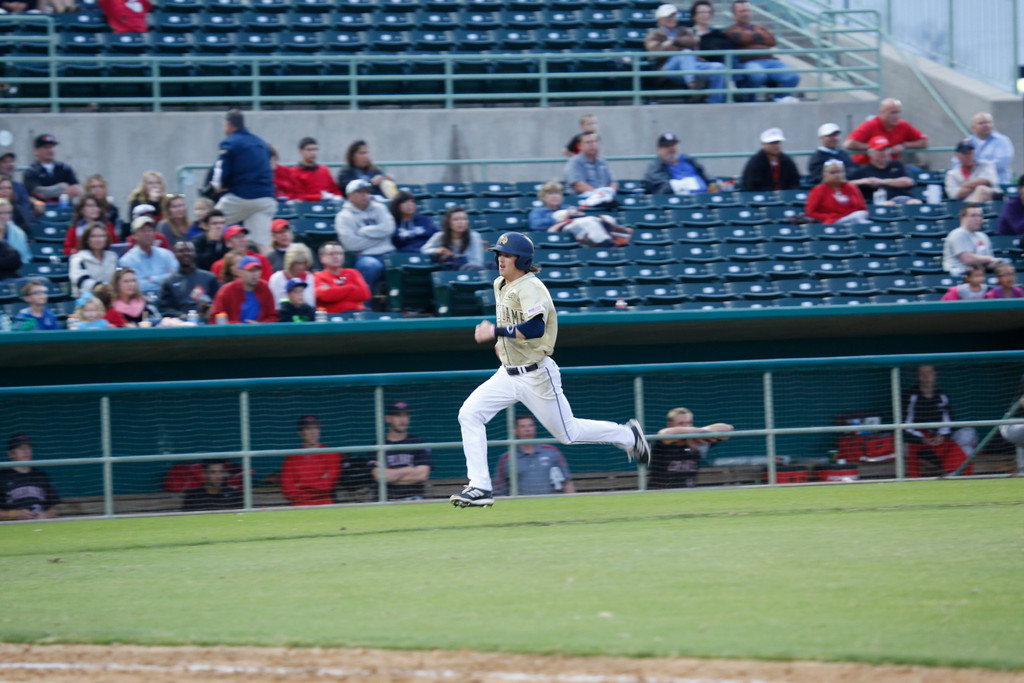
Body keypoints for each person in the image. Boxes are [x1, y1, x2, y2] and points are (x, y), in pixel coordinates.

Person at [450, 232, 651, 508]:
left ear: (522, 260)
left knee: (567, 434)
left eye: (507, 255)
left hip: (536, 375)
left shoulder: (531, 287)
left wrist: (495, 332)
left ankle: (628, 436)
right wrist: (501, 343)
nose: (500, 259)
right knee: (469, 414)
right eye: (499, 254)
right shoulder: (500, 284)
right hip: (507, 374)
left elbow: (535, 328)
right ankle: (480, 487)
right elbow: (514, 323)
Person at [210, 109, 277, 255]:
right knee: (263, 244)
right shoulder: (261, 143)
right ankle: (274, 274)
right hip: (266, 199)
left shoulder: (230, 142)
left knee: (212, 224)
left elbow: (221, 170)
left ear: (228, 125)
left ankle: (208, 265)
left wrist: (217, 186)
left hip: (241, 197)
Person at [645, 3, 726, 103]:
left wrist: (672, 42)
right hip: (669, 68)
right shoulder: (653, 35)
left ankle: (715, 102)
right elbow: (656, 50)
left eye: (673, 16)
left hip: (692, 65)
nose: (671, 18)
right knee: (685, 52)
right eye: (667, 16)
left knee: (719, 67)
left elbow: (694, 40)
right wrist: (680, 47)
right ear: (660, 20)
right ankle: (693, 84)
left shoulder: (684, 30)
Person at [903, 365, 975, 477]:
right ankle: (946, 471)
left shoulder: (942, 396)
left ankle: (953, 474)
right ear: (917, 376)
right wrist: (923, 439)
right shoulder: (911, 396)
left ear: (935, 375)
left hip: (938, 441)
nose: (926, 377)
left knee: (967, 434)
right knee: (904, 447)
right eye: (922, 374)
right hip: (916, 441)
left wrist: (941, 436)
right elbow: (905, 426)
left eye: (929, 373)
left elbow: (948, 422)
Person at [724, 0, 800, 102]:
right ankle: (749, 100)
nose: (745, 13)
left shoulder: (759, 26)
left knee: (793, 77)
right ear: (734, 15)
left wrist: (753, 36)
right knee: (757, 76)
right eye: (741, 11)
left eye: (747, 10)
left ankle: (779, 98)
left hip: (770, 61)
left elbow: (772, 40)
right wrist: (760, 35)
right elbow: (742, 38)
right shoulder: (731, 30)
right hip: (749, 62)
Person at [335, 178, 396, 295]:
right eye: (359, 192)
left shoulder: (379, 208)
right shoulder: (343, 216)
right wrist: (380, 237)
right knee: (370, 267)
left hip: (388, 252)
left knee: (401, 266)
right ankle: (365, 307)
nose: (364, 195)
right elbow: (351, 244)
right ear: (350, 196)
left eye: (366, 191)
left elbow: (389, 228)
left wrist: (364, 231)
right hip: (364, 255)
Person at [649, 407, 733, 489]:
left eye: (688, 423)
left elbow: (727, 429)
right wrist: (693, 431)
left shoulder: (698, 440)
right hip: (661, 494)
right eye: (681, 423)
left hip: (688, 495)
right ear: (670, 425)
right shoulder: (663, 443)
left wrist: (700, 432)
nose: (686, 426)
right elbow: (665, 433)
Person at [494, 414, 575, 497]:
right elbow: (500, 491)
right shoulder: (506, 458)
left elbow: (567, 482)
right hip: (521, 506)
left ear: (535, 428)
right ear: (515, 431)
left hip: (550, 504)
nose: (528, 429)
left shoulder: (551, 451)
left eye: (531, 425)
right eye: (523, 427)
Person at [370, 400, 433, 501]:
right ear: (388, 418)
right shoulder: (377, 445)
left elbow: (422, 475)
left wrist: (391, 477)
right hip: (386, 499)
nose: (403, 420)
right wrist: (408, 470)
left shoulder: (418, 443)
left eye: (405, 415)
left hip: (414, 499)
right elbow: (380, 476)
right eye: (398, 416)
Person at [844, 98, 928, 166]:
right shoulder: (870, 125)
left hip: (889, 167)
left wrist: (904, 145)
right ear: (882, 113)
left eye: (898, 112)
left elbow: (924, 142)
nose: (897, 116)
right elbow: (848, 144)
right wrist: (876, 148)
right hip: (865, 166)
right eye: (893, 112)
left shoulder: (903, 125)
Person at [280, 415, 342, 507]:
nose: (313, 432)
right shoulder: (291, 458)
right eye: (308, 429)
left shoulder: (331, 454)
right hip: (299, 507)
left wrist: (301, 484)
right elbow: (288, 491)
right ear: (301, 433)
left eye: (316, 428)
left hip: (325, 504)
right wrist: (318, 483)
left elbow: (327, 486)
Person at [847, 136, 921, 206]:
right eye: (879, 150)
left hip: (905, 199)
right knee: (888, 204)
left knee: (915, 203)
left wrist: (882, 181)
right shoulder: (863, 170)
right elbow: (845, 184)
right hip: (882, 204)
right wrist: (865, 181)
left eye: (886, 149)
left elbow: (908, 182)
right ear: (870, 153)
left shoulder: (897, 165)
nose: (883, 153)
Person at [1, 434, 60, 521]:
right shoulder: (2, 477)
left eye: (28, 448)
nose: (26, 451)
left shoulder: (41, 475)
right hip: (12, 525)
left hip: (40, 524)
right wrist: (14, 514)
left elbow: (55, 508)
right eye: (21, 448)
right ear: (11, 454)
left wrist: (46, 515)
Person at [118, 215, 179, 297]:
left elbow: (177, 278)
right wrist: (165, 276)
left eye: (150, 230)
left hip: (169, 297)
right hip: (142, 299)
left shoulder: (167, 254)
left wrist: (152, 279)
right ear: (135, 235)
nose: (147, 234)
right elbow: (136, 286)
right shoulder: (127, 260)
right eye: (143, 231)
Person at [158, 240, 219, 320]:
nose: (186, 253)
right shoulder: (168, 282)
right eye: (181, 251)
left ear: (195, 253)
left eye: (189, 250)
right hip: (180, 324)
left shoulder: (210, 278)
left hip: (206, 320)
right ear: (175, 255)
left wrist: (209, 308)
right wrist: (181, 316)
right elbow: (165, 308)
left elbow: (218, 302)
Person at [209, 255, 277, 323]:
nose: (255, 274)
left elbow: (273, 316)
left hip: (259, 332)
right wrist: (240, 327)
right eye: (250, 270)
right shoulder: (226, 291)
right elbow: (215, 318)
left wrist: (259, 325)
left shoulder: (265, 288)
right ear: (240, 272)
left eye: (257, 270)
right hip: (233, 332)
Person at [954, 112, 1015, 186]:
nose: (986, 125)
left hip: (997, 185)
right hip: (969, 186)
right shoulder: (966, 142)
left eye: (988, 122)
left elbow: (1001, 163)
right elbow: (956, 163)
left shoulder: (1002, 141)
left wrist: (975, 171)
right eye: (981, 123)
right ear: (973, 128)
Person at [942, 203, 1002, 277]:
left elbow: (988, 263)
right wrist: (989, 259)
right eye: (973, 215)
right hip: (959, 276)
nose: (978, 219)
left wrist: (998, 262)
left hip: (979, 276)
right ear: (962, 218)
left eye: (980, 215)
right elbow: (967, 259)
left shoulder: (983, 237)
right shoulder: (958, 234)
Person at [642, 131, 710, 195]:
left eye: (673, 145)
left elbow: (706, 176)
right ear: (659, 150)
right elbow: (665, 188)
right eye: (666, 146)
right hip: (678, 200)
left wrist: (713, 184)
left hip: (704, 197)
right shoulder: (655, 166)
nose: (671, 148)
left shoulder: (688, 160)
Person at [420, 206, 486, 271]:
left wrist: (456, 257)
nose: (460, 222)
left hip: (471, 270)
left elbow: (477, 262)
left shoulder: (474, 236)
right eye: (456, 219)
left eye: (464, 219)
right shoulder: (440, 236)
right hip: (449, 271)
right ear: (448, 222)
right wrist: (437, 250)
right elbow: (424, 250)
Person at [804, 159, 869, 225]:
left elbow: (862, 208)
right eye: (832, 172)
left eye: (840, 172)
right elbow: (810, 213)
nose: (837, 175)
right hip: (833, 223)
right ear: (824, 174)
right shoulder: (818, 190)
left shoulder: (852, 188)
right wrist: (830, 217)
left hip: (855, 220)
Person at [22, 134, 82, 205]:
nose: (50, 150)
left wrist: (52, 192)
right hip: (41, 210)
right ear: (36, 151)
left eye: (52, 147)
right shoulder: (31, 171)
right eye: (46, 147)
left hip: (64, 208)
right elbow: (39, 193)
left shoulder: (64, 168)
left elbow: (77, 190)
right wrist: (60, 188)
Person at [312, 241, 370, 314]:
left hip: (358, 315)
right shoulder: (317, 277)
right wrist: (351, 287)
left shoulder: (353, 273)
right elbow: (325, 296)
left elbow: (364, 294)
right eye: (331, 254)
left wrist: (335, 292)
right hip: (333, 318)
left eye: (339, 253)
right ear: (321, 258)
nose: (336, 257)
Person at [563, 132, 619, 207]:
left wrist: (610, 191)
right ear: (580, 146)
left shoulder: (602, 161)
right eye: (588, 142)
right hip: (582, 202)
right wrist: (598, 195)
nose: (592, 144)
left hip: (605, 201)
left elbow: (614, 182)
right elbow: (578, 185)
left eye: (595, 141)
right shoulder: (574, 162)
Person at [68, 222, 118, 297]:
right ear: (86, 240)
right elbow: (83, 283)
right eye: (93, 236)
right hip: (87, 301)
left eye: (102, 236)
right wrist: (106, 288)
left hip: (111, 298)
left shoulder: (113, 257)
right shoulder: (78, 259)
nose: (98, 240)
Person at [291, 137, 342, 201]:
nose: (313, 152)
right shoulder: (294, 172)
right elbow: (299, 195)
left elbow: (335, 190)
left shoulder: (325, 170)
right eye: (309, 150)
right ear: (300, 152)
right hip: (307, 207)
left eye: (315, 149)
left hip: (329, 204)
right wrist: (320, 197)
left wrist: (338, 196)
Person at [268, 242, 316, 309]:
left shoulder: (309, 277)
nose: (301, 267)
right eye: (297, 263)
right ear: (290, 262)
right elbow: (276, 305)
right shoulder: (277, 278)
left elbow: (311, 304)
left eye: (304, 263)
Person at [0, 152, 39, 224]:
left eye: (12, 161)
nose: (10, 165)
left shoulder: (19, 187)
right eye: (5, 162)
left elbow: (26, 212)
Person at [690, 0, 733, 65]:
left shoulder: (716, 33)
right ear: (694, 16)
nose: (706, 15)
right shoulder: (689, 32)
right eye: (702, 12)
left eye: (708, 12)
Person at [997, 374, 1024, 474]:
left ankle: (1022, 470)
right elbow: (1023, 401)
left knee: (1022, 445)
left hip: (1020, 427)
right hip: (1010, 426)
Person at [0, 198, 31, 266]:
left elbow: (23, 259)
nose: (3, 217)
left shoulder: (19, 234)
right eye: (0, 213)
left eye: (8, 213)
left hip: (11, 271)